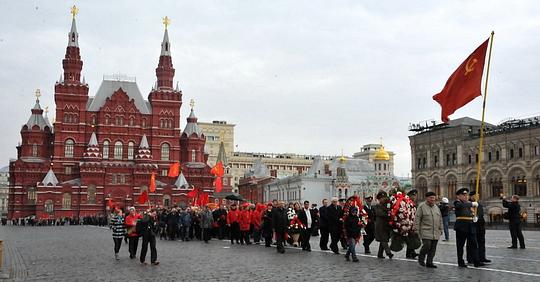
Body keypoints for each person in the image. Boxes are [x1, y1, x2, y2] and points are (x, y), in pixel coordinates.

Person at [454, 188, 484, 268]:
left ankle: (476, 261)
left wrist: (475, 217)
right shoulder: (458, 202)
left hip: (471, 227)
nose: (466, 196)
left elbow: (473, 213)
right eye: (463, 195)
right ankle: (460, 261)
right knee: (460, 246)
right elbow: (460, 206)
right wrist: (472, 204)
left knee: (474, 245)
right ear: (458, 196)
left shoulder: (470, 203)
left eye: (466, 195)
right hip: (461, 227)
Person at [415, 191, 443, 268]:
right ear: (427, 198)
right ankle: (421, 256)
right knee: (427, 245)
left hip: (435, 231)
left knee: (433, 248)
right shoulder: (421, 206)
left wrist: (441, 229)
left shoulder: (436, 207)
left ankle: (429, 262)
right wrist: (416, 230)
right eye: (431, 197)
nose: (433, 199)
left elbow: (440, 218)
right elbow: (417, 218)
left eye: (434, 198)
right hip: (425, 230)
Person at [467, 191, 491, 264]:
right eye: (476, 195)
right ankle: (471, 258)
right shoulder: (469, 204)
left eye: (478, 195)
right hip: (473, 225)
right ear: (471, 196)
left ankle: (482, 257)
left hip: (480, 225)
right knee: (472, 243)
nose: (478, 196)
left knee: (481, 242)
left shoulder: (479, 203)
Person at [375, 191, 393, 259]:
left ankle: (380, 254)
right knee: (383, 239)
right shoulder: (377, 206)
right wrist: (388, 213)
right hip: (380, 225)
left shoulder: (388, 205)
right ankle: (389, 253)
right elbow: (380, 213)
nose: (383, 199)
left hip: (386, 225)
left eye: (384, 197)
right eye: (381, 198)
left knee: (383, 239)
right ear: (379, 199)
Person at [405, 189, 419, 259]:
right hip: (408, 223)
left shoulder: (413, 203)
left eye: (415, 196)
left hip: (412, 223)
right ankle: (410, 253)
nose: (414, 197)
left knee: (411, 238)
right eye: (413, 196)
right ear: (410, 196)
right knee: (410, 238)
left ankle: (411, 252)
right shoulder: (407, 202)